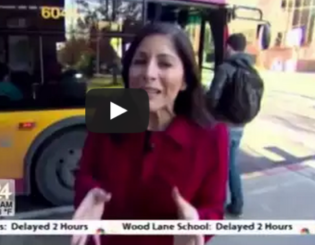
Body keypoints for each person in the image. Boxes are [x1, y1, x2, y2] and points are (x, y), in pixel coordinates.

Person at [72, 23, 229, 245]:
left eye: (164, 63)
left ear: (185, 80)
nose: (148, 73)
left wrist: (198, 223)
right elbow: (85, 175)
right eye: (140, 62)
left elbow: (213, 209)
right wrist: (89, 193)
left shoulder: (211, 135)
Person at [207, 33, 260, 217]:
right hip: (240, 125)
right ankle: (235, 202)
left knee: (222, 166)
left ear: (229, 47)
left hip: (224, 125)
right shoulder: (252, 70)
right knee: (231, 164)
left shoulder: (225, 68)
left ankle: (227, 204)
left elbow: (212, 98)